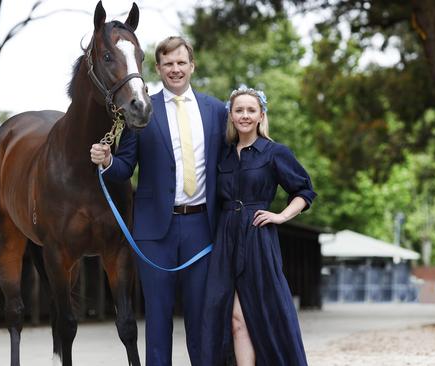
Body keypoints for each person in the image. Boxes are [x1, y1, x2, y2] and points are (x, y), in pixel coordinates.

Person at [90, 36, 228, 366]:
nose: (175, 69)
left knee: (201, 319)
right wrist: (107, 161)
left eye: (181, 62)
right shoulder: (141, 108)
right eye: (168, 64)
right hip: (154, 234)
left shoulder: (217, 111)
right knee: (158, 319)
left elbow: (229, 166)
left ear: (192, 66)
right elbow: (124, 169)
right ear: (158, 68)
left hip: (202, 229)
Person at [200, 86, 316, 366]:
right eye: (239, 110)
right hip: (226, 240)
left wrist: (280, 216)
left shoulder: (274, 152)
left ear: (261, 115)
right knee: (234, 318)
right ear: (231, 115)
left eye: (251, 110)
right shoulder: (223, 156)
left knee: (263, 313)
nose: (244, 115)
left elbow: (304, 191)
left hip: (257, 240)